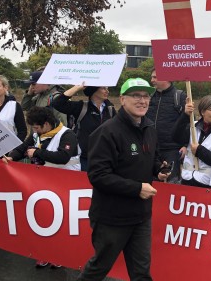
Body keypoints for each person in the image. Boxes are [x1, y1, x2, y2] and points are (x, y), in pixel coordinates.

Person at [77, 78, 169, 281]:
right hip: (112, 217)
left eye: (145, 96)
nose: (142, 100)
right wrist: (137, 188)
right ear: (122, 99)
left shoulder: (150, 129)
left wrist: (159, 170)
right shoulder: (106, 132)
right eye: (136, 95)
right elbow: (98, 176)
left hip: (141, 215)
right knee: (99, 268)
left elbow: (152, 159)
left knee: (141, 272)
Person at [5, 106, 79, 267]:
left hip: (66, 185)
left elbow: (63, 157)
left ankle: (60, 255)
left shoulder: (67, 134)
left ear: (46, 124)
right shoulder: (37, 134)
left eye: (37, 127)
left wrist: (37, 153)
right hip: (45, 185)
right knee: (44, 220)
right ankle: (46, 253)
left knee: (62, 222)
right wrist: (11, 158)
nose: (35, 130)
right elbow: (23, 148)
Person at [172, 95, 211, 189]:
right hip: (187, 180)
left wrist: (200, 151)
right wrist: (185, 115)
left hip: (208, 185)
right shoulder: (193, 126)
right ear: (203, 112)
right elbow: (175, 137)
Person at [51, 83, 116, 171]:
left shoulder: (110, 110)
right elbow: (57, 103)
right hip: (84, 158)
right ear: (93, 90)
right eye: (103, 88)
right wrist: (77, 87)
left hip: (105, 158)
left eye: (107, 88)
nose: (107, 91)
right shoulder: (81, 107)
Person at [145, 68, 187, 183]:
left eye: (155, 77)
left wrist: (185, 145)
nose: (152, 80)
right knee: (152, 181)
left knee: (171, 183)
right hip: (150, 147)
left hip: (172, 149)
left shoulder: (180, 96)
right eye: (152, 77)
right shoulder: (149, 96)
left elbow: (188, 122)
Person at [0, 75, 27, 141]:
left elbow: (22, 131)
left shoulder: (13, 105)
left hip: (10, 146)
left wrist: (16, 148)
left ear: (5, 88)